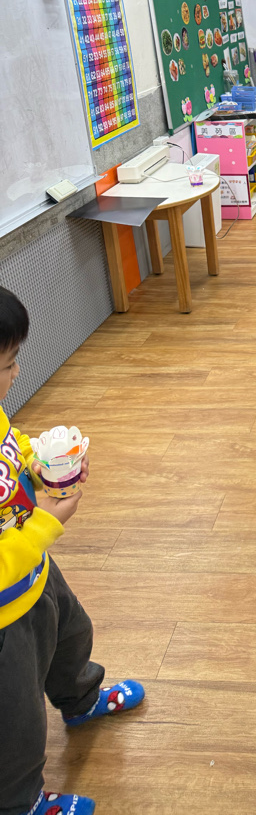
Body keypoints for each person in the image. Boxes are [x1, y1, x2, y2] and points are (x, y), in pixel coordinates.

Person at [0, 287, 144, 815]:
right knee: (16, 719)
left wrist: (38, 463)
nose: (16, 373)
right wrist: (46, 523)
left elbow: (10, 449)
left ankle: (81, 699)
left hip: (35, 572)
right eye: (7, 364)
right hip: (4, 614)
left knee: (71, 634)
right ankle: (21, 802)